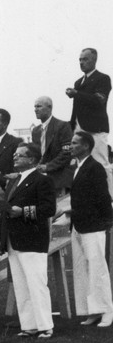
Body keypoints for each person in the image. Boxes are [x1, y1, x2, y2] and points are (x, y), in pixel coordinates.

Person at [0, 143, 56, 339]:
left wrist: (23, 212)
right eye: (14, 155)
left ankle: (45, 326)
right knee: (21, 285)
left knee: (36, 283)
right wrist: (0, 239)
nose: (15, 158)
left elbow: (48, 209)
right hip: (14, 240)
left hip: (32, 239)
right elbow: (5, 211)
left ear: (32, 159)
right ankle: (29, 326)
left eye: (19, 156)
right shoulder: (14, 182)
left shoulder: (42, 180)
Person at [65, 131, 113, 328]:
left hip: (93, 226)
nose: (71, 146)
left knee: (97, 269)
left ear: (85, 146)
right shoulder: (78, 168)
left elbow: (103, 198)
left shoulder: (95, 168)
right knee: (82, 270)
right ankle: (92, 311)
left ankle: (107, 311)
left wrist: (106, 222)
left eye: (74, 143)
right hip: (78, 225)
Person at [67, 47, 113, 198]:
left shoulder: (103, 78)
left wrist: (77, 94)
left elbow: (100, 100)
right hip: (79, 127)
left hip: (95, 127)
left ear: (94, 60)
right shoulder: (78, 82)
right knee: (81, 162)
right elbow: (76, 107)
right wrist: (71, 125)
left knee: (100, 161)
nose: (81, 62)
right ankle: (89, 197)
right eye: (80, 59)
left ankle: (109, 198)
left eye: (85, 59)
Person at [31, 96, 73, 197]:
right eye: (35, 106)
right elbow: (35, 153)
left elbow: (66, 152)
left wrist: (48, 167)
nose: (35, 109)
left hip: (58, 178)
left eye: (39, 106)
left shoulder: (62, 126)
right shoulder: (35, 131)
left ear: (49, 107)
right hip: (40, 179)